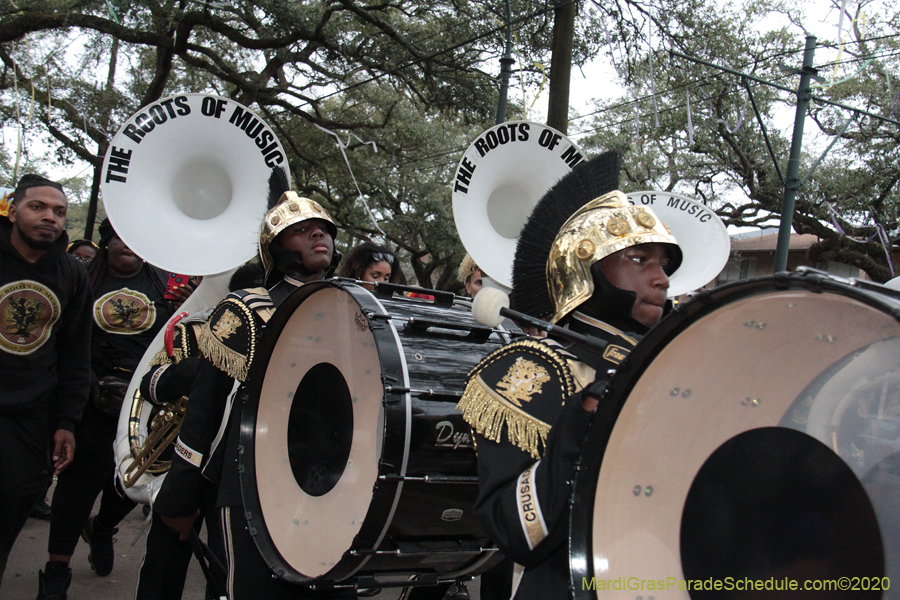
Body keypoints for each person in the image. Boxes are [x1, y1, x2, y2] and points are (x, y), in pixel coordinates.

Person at [456, 151, 682, 600]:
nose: (662, 279)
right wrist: (588, 414)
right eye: (641, 259)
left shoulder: (674, 364)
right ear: (586, 269)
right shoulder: (534, 367)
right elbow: (515, 530)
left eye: (663, 265)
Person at [136, 167, 352, 600]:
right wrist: (181, 498)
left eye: (323, 229)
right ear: (275, 248)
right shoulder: (246, 309)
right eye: (301, 230)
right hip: (249, 479)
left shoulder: (352, 309)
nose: (318, 235)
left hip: (331, 482)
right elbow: (207, 410)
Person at [36, 219, 187, 599]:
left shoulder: (165, 285)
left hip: (143, 402)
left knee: (131, 482)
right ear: (107, 242)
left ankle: (102, 528)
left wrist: (186, 308)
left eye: (137, 240)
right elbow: (65, 340)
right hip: (88, 398)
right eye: (122, 238)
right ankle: (56, 570)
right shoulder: (82, 278)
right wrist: (90, 387)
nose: (129, 246)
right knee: (78, 485)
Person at [0, 174, 92, 589]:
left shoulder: (72, 275)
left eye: (58, 211)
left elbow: (74, 354)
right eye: (37, 207)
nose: (49, 217)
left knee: (10, 509)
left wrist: (66, 422)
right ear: (12, 210)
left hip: (29, 418)